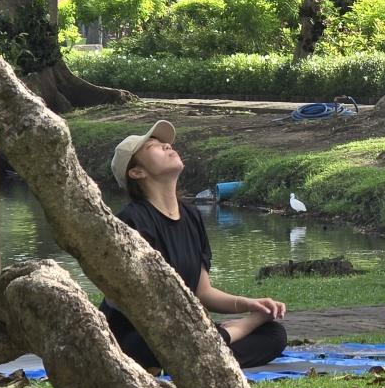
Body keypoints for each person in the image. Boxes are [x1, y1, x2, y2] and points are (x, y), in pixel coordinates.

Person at [101, 120, 288, 371]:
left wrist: (251, 304)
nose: (167, 146)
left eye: (166, 142)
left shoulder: (191, 216)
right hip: (142, 333)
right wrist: (247, 322)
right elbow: (137, 300)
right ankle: (228, 336)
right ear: (137, 173)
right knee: (179, 344)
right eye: (152, 147)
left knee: (275, 335)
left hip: (189, 331)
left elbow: (203, 293)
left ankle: (213, 347)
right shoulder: (131, 221)